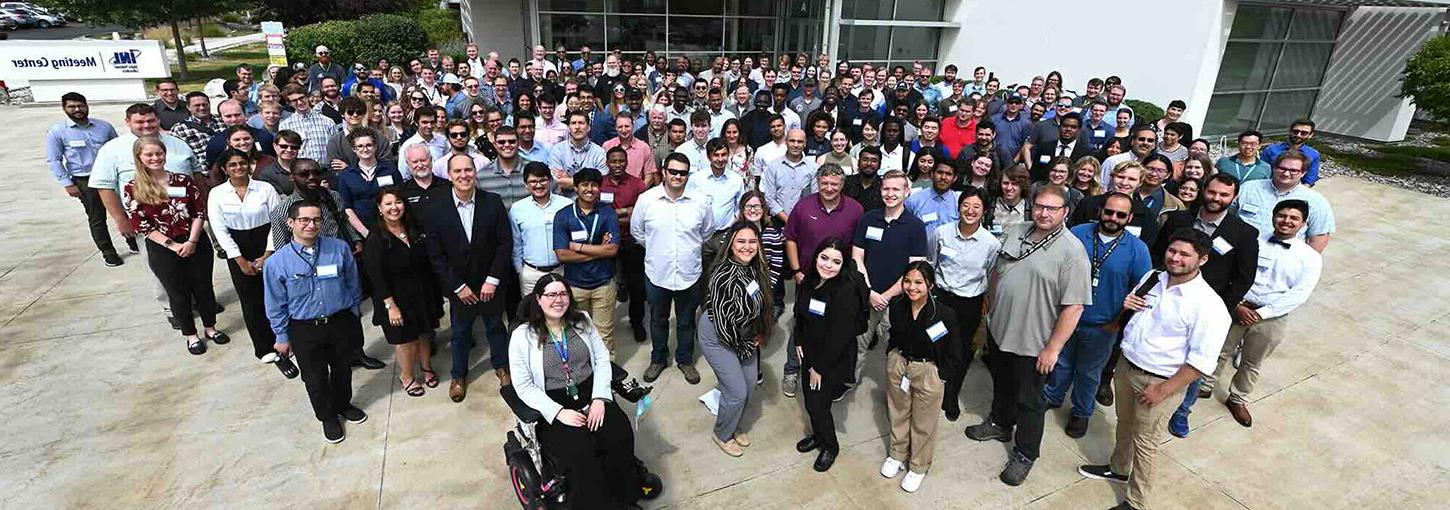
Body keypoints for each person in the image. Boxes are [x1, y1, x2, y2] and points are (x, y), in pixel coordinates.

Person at [1078, 229, 1231, 510]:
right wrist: (1126, 307)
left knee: (1146, 443)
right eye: (1173, 251)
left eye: (1185, 254)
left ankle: (1137, 503)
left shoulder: (1208, 306)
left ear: (1203, 259)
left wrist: (1163, 390)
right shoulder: (1153, 278)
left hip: (1159, 380)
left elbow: (1202, 361)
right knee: (1124, 423)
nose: (1175, 258)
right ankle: (1119, 468)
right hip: (1128, 367)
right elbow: (1135, 313)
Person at [965, 185, 1090, 487]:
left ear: (1065, 212)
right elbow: (998, 273)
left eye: (1052, 208)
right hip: (1001, 330)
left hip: (1034, 342)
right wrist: (988, 314)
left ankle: (1025, 453)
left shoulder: (1073, 253)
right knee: (1003, 384)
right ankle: (999, 423)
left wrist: (1053, 349)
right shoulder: (1016, 230)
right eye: (1039, 206)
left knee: (1030, 400)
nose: (1044, 213)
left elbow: (1074, 307)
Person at [507, 274, 640, 509]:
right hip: (553, 402)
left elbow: (601, 359)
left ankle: (625, 499)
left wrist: (600, 398)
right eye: (550, 295)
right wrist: (558, 413)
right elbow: (524, 385)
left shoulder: (583, 321)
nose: (557, 300)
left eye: (562, 294)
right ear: (538, 300)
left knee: (619, 436)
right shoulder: (522, 336)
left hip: (591, 392)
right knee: (580, 454)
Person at [1142, 173, 1261, 435]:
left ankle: (1183, 411)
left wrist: (1220, 309)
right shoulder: (1178, 219)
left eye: (1224, 195)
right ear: (1204, 190)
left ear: (1234, 198)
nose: (1216, 198)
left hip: (1206, 310)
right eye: (1212, 192)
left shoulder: (1244, 233)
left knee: (1196, 361)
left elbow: (1244, 278)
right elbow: (1158, 253)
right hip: (1168, 300)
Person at [1201, 199, 1322, 428]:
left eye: (1293, 218)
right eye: (1282, 215)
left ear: (1303, 223)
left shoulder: (1311, 257)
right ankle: (1204, 385)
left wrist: (1262, 313)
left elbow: (1300, 293)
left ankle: (1237, 398)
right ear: (1273, 216)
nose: (1286, 221)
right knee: (1218, 349)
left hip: (1272, 315)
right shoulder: (1252, 239)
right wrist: (1236, 303)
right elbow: (1233, 270)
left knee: (1252, 361)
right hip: (1237, 305)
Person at [1043, 193, 1152, 437]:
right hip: (1066, 316)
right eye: (1109, 212)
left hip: (1104, 325)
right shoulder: (1077, 233)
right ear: (1100, 210)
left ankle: (1081, 412)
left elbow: (1141, 291)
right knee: (1060, 362)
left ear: (1130, 218)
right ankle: (1053, 396)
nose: (1113, 218)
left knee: (1089, 372)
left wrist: (1120, 321)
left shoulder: (1137, 249)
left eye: (1121, 215)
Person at [263, 200, 368, 443]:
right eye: (304, 220)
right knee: (315, 377)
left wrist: (353, 312)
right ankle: (327, 416)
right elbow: (275, 303)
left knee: (343, 369)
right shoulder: (277, 263)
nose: (311, 225)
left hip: (339, 321)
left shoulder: (338, 248)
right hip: (304, 328)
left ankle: (343, 404)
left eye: (316, 220)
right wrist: (281, 336)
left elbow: (353, 282)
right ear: (290, 223)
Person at [92, 104, 205, 327]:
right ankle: (172, 308)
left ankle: (198, 302)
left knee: (194, 266)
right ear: (128, 122)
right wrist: (121, 219)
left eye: (151, 120)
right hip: (150, 225)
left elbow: (196, 175)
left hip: (187, 221)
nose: (146, 125)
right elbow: (104, 188)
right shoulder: (112, 150)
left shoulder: (177, 144)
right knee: (162, 271)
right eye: (139, 122)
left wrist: (203, 207)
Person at [421, 153, 515, 400]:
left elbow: (505, 244)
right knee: (460, 333)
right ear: (449, 175)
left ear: (475, 172)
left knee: (496, 327)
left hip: (490, 285)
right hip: (460, 287)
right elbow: (436, 256)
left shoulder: (493, 202)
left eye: (468, 170)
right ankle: (459, 375)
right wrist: (458, 286)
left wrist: (492, 280)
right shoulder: (436, 209)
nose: (464, 175)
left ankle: (501, 367)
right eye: (458, 171)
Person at [126, 136, 227, 354]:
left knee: (203, 288)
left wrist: (191, 241)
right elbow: (142, 224)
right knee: (177, 293)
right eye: (149, 155)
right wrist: (173, 246)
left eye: (158, 153)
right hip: (163, 248)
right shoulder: (133, 187)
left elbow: (198, 211)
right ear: (139, 158)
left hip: (195, 241)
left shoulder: (183, 181)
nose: (155, 158)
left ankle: (210, 327)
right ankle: (191, 335)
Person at [206, 148, 294, 375]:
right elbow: (219, 229)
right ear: (225, 169)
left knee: (278, 295)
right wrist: (240, 260)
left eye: (242, 163)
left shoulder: (265, 188)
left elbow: (277, 221)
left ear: (250, 165)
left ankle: (285, 339)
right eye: (232, 165)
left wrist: (267, 254)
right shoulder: (217, 194)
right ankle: (263, 346)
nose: (238, 168)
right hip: (238, 248)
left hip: (267, 243)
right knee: (250, 300)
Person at [880, 261, 964, 492]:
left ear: (930, 284)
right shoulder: (897, 305)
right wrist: (892, 357)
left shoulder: (944, 313)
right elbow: (894, 335)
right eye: (907, 281)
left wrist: (942, 375)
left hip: (928, 370)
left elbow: (956, 350)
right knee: (898, 412)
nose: (911, 287)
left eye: (918, 282)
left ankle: (918, 466)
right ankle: (897, 454)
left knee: (923, 422)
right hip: (900, 364)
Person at [631, 153, 715, 384]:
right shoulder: (647, 200)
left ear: (687, 175)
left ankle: (685, 360)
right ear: (664, 172)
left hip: (689, 273)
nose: (678, 176)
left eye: (683, 173)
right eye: (673, 171)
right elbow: (637, 232)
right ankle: (658, 358)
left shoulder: (700, 201)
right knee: (658, 319)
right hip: (658, 273)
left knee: (686, 320)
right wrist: (659, 249)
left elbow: (707, 231)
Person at [698, 221, 774, 457]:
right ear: (731, 244)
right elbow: (724, 325)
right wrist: (744, 347)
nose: (747, 247)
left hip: (744, 334)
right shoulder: (723, 275)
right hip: (720, 337)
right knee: (737, 391)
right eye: (741, 241)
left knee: (750, 384)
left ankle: (733, 422)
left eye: (752, 241)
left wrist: (760, 331)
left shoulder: (753, 268)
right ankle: (722, 434)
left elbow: (759, 305)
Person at [794, 237, 870, 472]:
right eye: (824, 258)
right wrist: (798, 339)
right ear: (816, 256)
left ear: (843, 264)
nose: (828, 265)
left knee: (818, 404)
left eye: (836, 262)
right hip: (810, 352)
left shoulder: (844, 291)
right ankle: (818, 436)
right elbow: (799, 312)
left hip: (830, 360)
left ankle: (830, 446)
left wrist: (818, 367)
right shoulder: (810, 280)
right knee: (809, 399)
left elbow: (840, 337)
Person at [851, 170, 929, 387]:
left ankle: (894, 391)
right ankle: (850, 381)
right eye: (886, 188)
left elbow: (913, 270)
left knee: (896, 351)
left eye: (896, 189)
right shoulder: (868, 219)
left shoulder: (915, 226)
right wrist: (870, 292)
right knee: (858, 343)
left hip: (898, 300)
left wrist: (885, 296)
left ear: (907, 192)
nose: (890, 193)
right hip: (867, 296)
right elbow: (857, 257)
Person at [364, 188, 444, 397]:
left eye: (398, 202)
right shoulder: (376, 238)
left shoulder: (414, 229)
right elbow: (376, 276)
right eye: (388, 204)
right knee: (406, 340)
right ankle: (407, 377)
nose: (394, 207)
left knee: (425, 333)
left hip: (422, 292)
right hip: (395, 298)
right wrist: (391, 306)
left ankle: (426, 368)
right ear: (380, 209)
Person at [930, 186, 998, 421]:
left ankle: (951, 395)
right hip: (941, 298)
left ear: (984, 211)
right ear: (958, 207)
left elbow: (990, 274)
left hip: (969, 303)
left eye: (976, 207)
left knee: (960, 352)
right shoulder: (942, 233)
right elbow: (932, 262)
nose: (970, 211)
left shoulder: (990, 243)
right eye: (966, 205)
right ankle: (932, 389)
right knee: (936, 345)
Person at [46, 92, 123, 267]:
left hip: (111, 176)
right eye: (72, 107)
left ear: (87, 105)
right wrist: (67, 183)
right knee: (97, 217)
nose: (77, 110)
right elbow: (54, 160)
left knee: (123, 210)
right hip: (84, 180)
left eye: (80, 105)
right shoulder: (58, 132)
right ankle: (108, 252)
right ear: (64, 108)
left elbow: (117, 149)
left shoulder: (104, 127)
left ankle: (133, 242)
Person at [552, 168, 621, 355]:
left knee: (604, 334)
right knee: (577, 333)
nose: (589, 189)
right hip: (575, 285)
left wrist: (577, 247)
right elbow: (562, 255)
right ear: (575, 187)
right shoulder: (563, 215)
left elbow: (612, 249)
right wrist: (599, 250)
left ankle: (608, 376)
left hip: (603, 284)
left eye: (594, 185)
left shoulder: (608, 213)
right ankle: (583, 373)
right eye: (584, 184)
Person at [1235, 149, 1336, 253]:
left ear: (1303, 173)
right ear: (1274, 168)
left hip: (1283, 259)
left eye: (1293, 170)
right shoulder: (1248, 188)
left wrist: (1303, 263)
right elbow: (1227, 218)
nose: (1286, 173)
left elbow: (1319, 238)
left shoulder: (1316, 201)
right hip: (1241, 254)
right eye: (1282, 168)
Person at [599, 147, 650, 343]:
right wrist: (623, 212)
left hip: (631, 241)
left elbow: (640, 215)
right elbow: (599, 214)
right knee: (604, 284)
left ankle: (637, 322)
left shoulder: (637, 185)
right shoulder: (600, 184)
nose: (617, 165)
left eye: (621, 161)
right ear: (607, 162)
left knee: (636, 286)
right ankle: (603, 323)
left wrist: (613, 214)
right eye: (614, 161)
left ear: (627, 162)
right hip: (605, 241)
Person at [511, 163, 571, 295]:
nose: (538, 185)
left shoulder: (566, 205)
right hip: (531, 274)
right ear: (525, 185)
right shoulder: (517, 208)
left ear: (550, 181)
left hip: (562, 270)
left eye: (543, 180)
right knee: (532, 313)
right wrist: (520, 271)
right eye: (533, 181)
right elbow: (516, 243)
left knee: (561, 310)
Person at [335, 130, 404, 239]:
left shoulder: (390, 169)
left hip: (392, 228)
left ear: (375, 147)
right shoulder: (346, 175)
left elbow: (401, 197)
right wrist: (366, 233)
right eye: (360, 146)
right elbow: (347, 208)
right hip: (362, 231)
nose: (365, 149)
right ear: (354, 149)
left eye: (369, 145)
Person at [762, 128, 819, 226]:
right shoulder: (773, 166)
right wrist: (788, 220)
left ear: (805, 143)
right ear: (786, 142)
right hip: (778, 221)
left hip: (804, 222)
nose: (796, 145)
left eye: (800, 142)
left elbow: (815, 197)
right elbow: (769, 198)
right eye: (792, 141)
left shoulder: (813, 168)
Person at [547, 111, 608, 193]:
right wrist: (589, 182)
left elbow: (601, 182)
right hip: (564, 200)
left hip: (591, 201)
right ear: (568, 128)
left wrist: (568, 178)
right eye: (573, 123)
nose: (577, 127)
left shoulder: (599, 153)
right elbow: (557, 182)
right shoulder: (557, 150)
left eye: (581, 123)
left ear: (588, 127)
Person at [279, 85, 339, 163]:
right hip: (301, 171)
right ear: (289, 103)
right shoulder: (285, 126)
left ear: (307, 97)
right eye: (294, 101)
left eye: (301, 98)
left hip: (326, 170)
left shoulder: (327, 121)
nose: (300, 102)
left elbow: (337, 147)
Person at [601, 112, 660, 184]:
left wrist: (638, 191)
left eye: (627, 126)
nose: (624, 130)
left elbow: (649, 176)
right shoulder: (607, 146)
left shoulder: (644, 147)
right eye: (620, 127)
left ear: (633, 126)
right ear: (615, 128)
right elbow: (603, 173)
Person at [1261, 119, 1322, 186]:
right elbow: (1261, 172)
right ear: (1290, 131)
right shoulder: (1271, 150)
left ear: (1310, 135)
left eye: (1304, 133)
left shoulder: (1313, 154)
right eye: (1295, 131)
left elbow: (1310, 178)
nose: (1298, 135)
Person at [396, 108, 449, 177]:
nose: (429, 126)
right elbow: (403, 173)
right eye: (425, 122)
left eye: (432, 122)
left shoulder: (442, 141)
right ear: (416, 123)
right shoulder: (408, 145)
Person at [843, 146, 884, 212]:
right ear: (859, 162)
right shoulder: (846, 182)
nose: (869, 163)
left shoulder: (884, 186)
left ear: (879, 165)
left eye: (874, 161)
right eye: (865, 159)